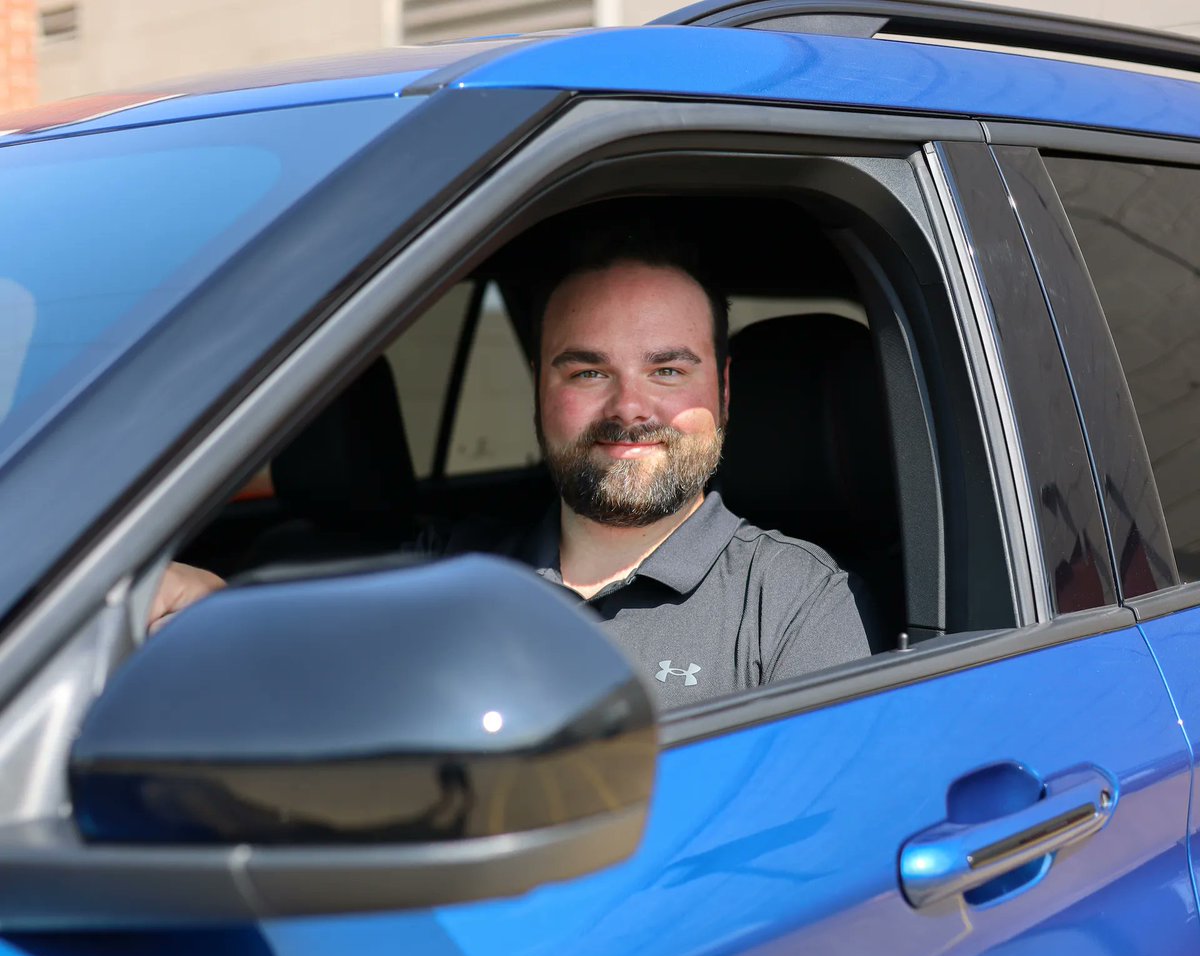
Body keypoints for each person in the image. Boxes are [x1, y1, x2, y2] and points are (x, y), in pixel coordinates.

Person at [150, 220, 872, 706]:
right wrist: (216, 612)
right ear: (538, 392)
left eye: (667, 370)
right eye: (587, 372)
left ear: (722, 390)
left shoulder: (794, 603)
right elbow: (311, 667)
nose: (630, 407)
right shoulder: (447, 569)